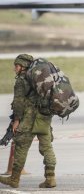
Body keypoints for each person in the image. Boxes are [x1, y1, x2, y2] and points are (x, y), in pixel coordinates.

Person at [0, 54, 57, 188]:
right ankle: (50, 178)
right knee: (47, 147)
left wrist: (16, 120)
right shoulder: (41, 78)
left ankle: (14, 179)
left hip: (28, 118)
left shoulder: (21, 80)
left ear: (22, 66)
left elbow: (18, 102)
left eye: (16, 66)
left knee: (21, 146)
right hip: (44, 116)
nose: (14, 69)